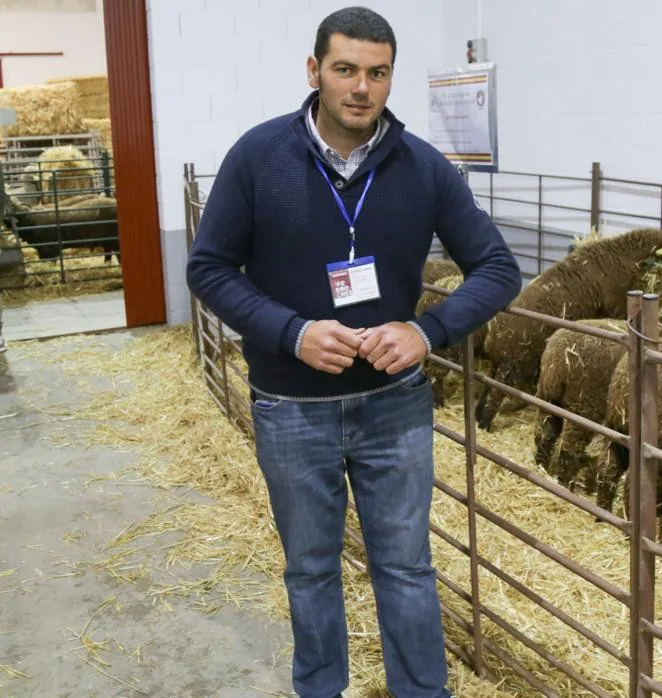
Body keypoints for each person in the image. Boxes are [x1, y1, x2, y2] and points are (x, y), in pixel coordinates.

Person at [185, 6, 521, 698]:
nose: (361, 88)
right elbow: (208, 269)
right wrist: (292, 332)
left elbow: (497, 267)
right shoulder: (257, 157)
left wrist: (427, 330)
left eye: (377, 73)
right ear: (315, 72)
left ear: (391, 77)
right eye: (345, 70)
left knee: (405, 567)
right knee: (310, 569)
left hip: (393, 407)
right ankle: (320, 689)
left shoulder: (423, 167)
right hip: (289, 408)